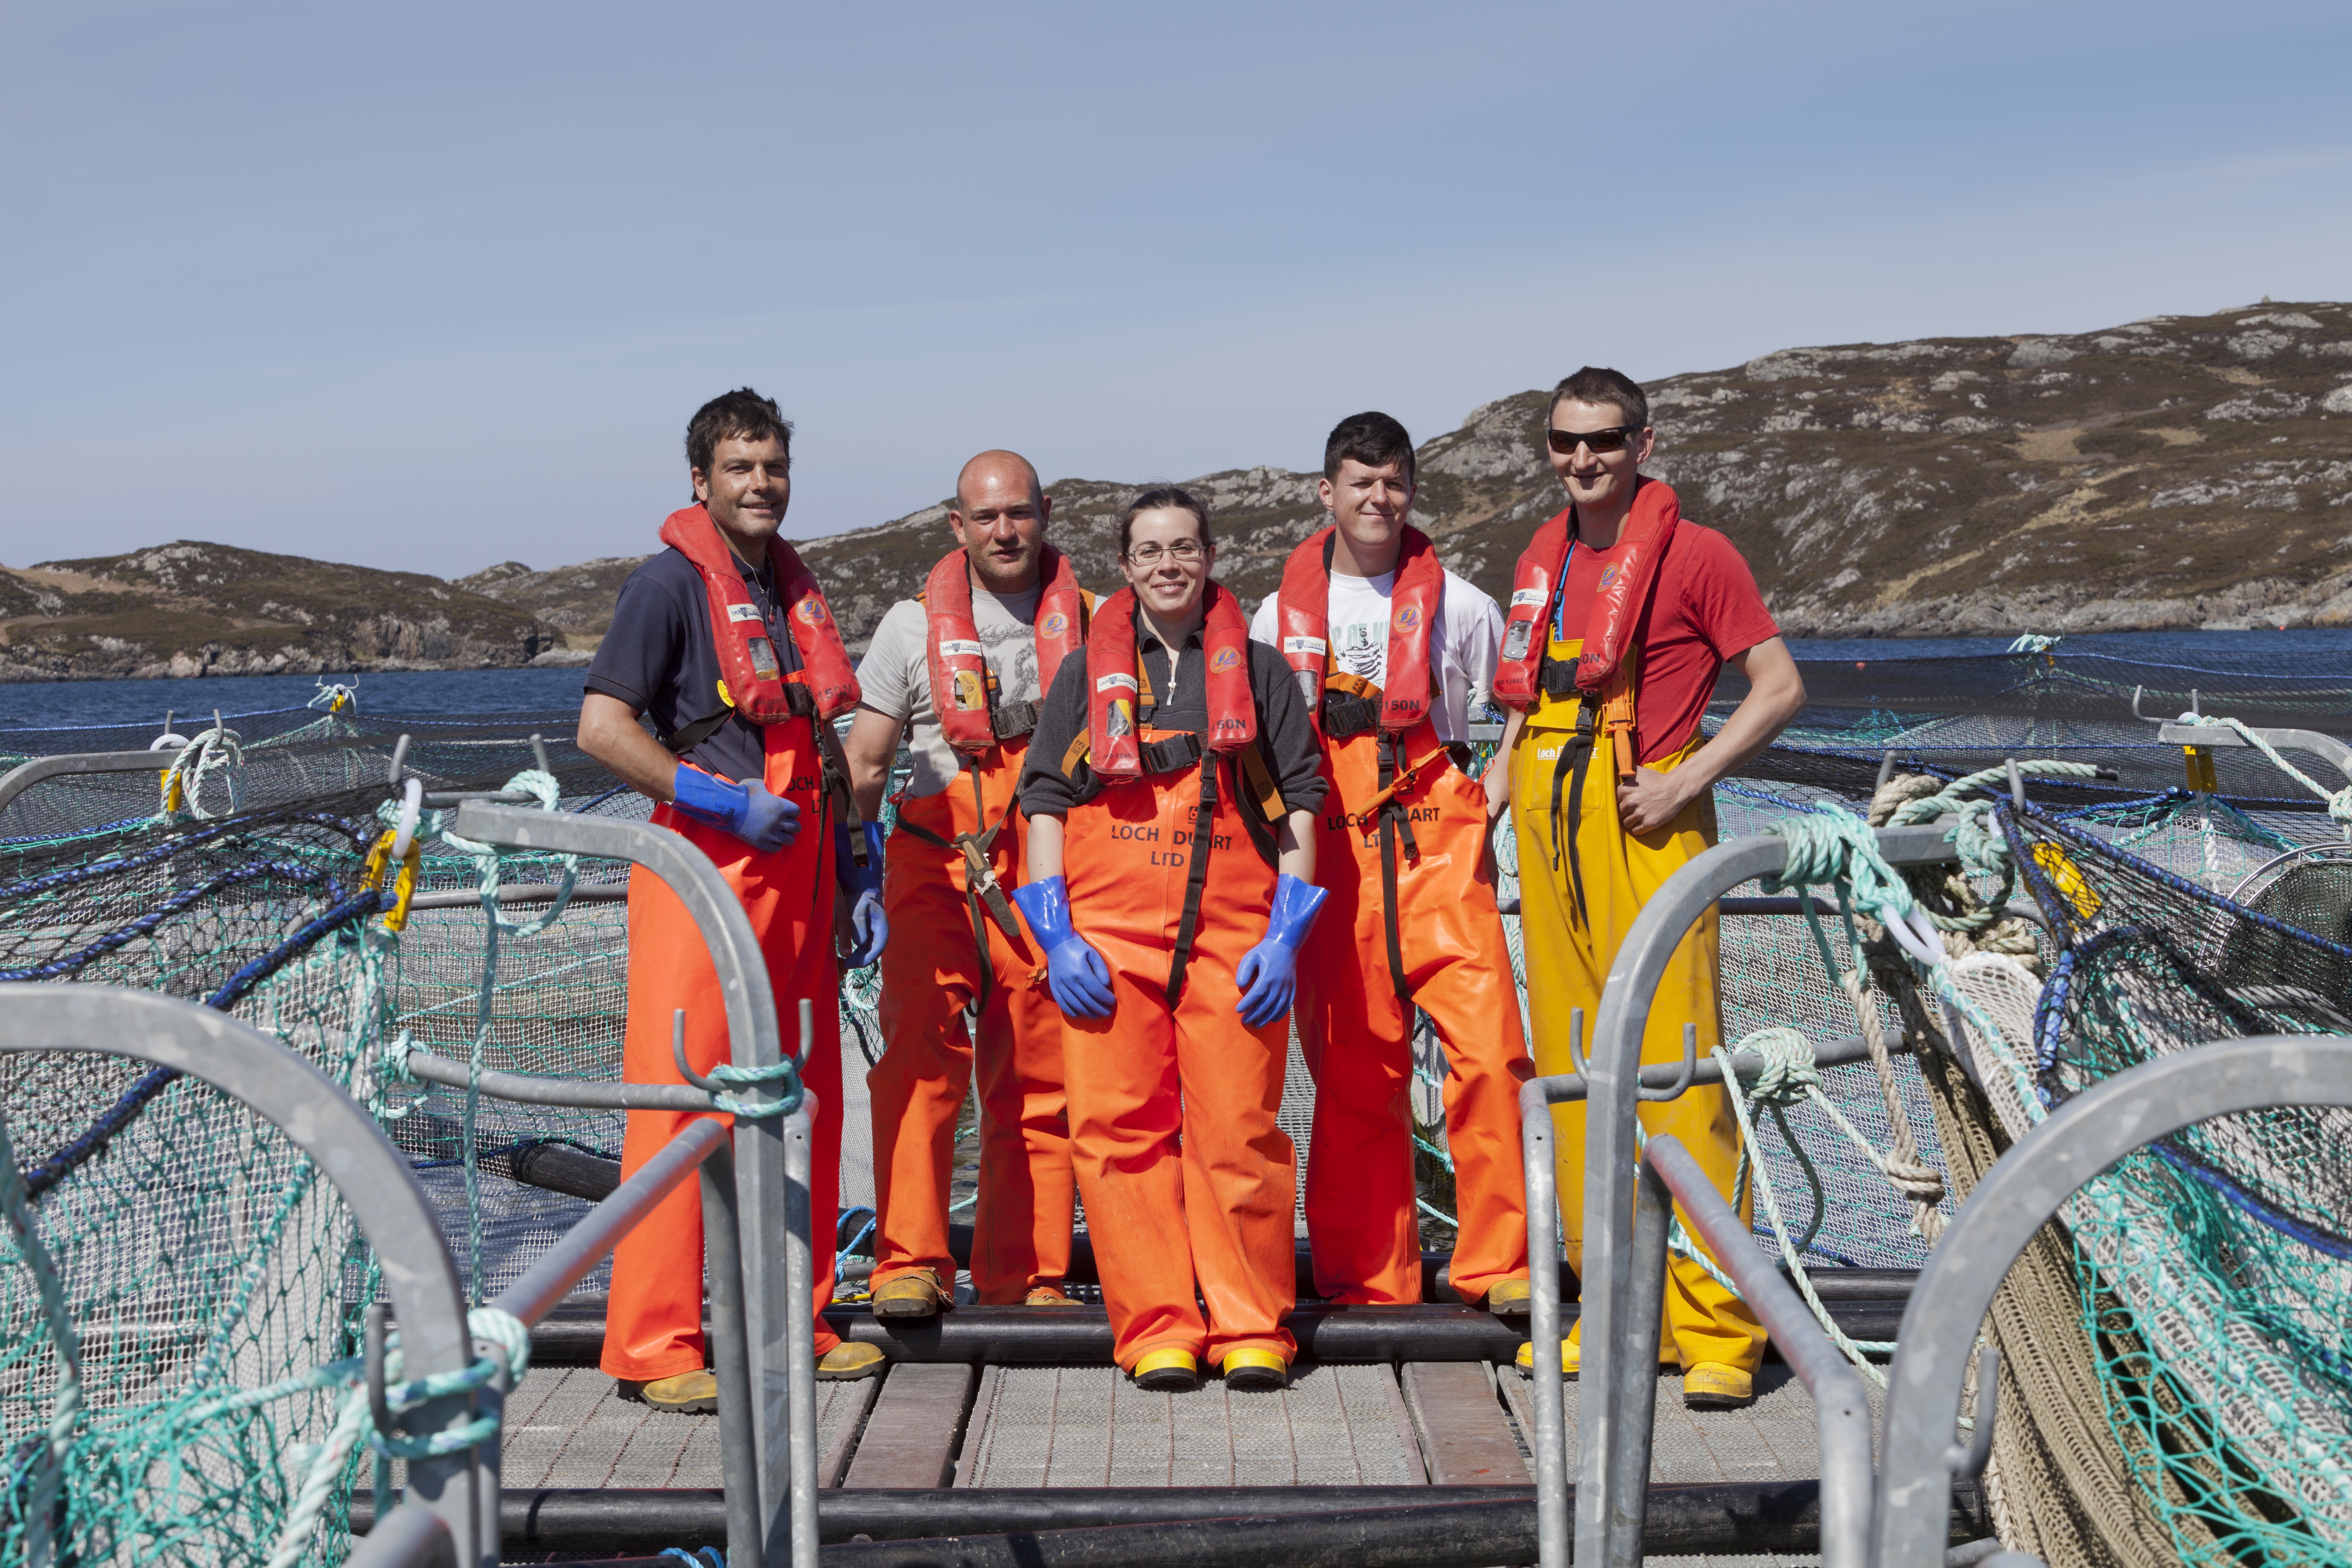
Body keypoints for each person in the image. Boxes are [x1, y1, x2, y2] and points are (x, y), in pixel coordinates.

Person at [1487, 367, 1806, 1408]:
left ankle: (1717, 1329)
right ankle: (1615, 1314)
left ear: (1643, 444)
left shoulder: (1700, 555)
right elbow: (1527, 704)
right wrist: (1489, 796)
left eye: (1606, 442)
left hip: (1649, 830)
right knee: (1578, 1077)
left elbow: (1780, 685)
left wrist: (1690, 777)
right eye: (1566, 442)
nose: (1585, 461)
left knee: (1678, 1075)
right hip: (1550, 831)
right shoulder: (1545, 555)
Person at [578, 387, 891, 1410]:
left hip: (801, 873)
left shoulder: (785, 592)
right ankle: (657, 1345)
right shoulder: (666, 589)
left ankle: (790, 1320)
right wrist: (716, 797)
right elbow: (604, 730)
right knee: (679, 1107)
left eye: (775, 467)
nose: (762, 484)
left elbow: (823, 735)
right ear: (700, 481)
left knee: (798, 1103)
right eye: (741, 468)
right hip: (705, 873)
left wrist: (855, 861)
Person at [1016, 487, 1328, 1391]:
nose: (1167, 566)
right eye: (1149, 551)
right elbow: (1043, 799)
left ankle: (1250, 1325)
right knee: (1118, 1136)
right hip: (1109, 945)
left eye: (1184, 548)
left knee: (1239, 1131)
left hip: (1236, 940)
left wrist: (1289, 932)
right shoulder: (1084, 674)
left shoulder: (1261, 672)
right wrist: (1053, 935)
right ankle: (1156, 1326)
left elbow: (1301, 797)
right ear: (1124, 565)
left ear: (1210, 557)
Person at [1249, 412, 1534, 1315]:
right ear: (1326, 492)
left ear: (1412, 491)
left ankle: (1505, 1269)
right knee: (1351, 1072)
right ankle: (1370, 1282)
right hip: (1330, 845)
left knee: (1491, 1057)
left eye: (1394, 482)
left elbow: (1522, 700)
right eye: (1359, 482)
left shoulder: (1463, 601)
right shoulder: (1274, 614)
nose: (1378, 499)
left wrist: (1499, 782)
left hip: (1438, 840)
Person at [843, 450, 1088, 1317]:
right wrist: (852, 874)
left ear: (1044, 514)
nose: (1004, 530)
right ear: (959, 526)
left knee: (1041, 1069)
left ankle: (1030, 1276)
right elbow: (867, 762)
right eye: (985, 517)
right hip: (931, 864)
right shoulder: (908, 631)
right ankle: (909, 1262)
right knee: (917, 1063)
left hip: (1047, 868)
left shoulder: (1095, 622)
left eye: (1018, 513)